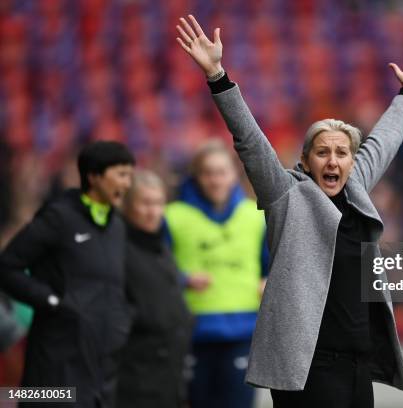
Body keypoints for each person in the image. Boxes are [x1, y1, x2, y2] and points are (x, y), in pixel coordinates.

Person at [176, 15, 403, 408]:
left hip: (357, 367)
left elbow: (384, 141)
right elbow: (249, 139)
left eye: (342, 152)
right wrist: (217, 75)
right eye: (323, 152)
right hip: (307, 369)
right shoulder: (286, 194)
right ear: (307, 160)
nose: (333, 160)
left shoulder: (356, 189)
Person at [0, 141, 135, 408]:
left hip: (100, 366)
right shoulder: (58, 218)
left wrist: (122, 320)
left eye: (130, 175)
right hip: (56, 361)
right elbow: (7, 266)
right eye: (121, 174)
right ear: (94, 177)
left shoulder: (117, 226)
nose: (128, 184)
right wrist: (52, 302)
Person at [164, 140, 268, 408]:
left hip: (243, 330)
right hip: (191, 332)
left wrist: (268, 281)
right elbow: (154, 269)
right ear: (196, 176)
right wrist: (183, 279)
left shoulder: (255, 216)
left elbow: (272, 266)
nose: (215, 180)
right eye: (208, 173)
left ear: (234, 174)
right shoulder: (172, 217)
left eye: (221, 172)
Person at [115, 170, 192, 408]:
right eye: (145, 203)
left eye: (159, 203)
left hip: (168, 376)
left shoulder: (159, 245)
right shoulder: (117, 249)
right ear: (126, 205)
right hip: (134, 378)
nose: (154, 212)